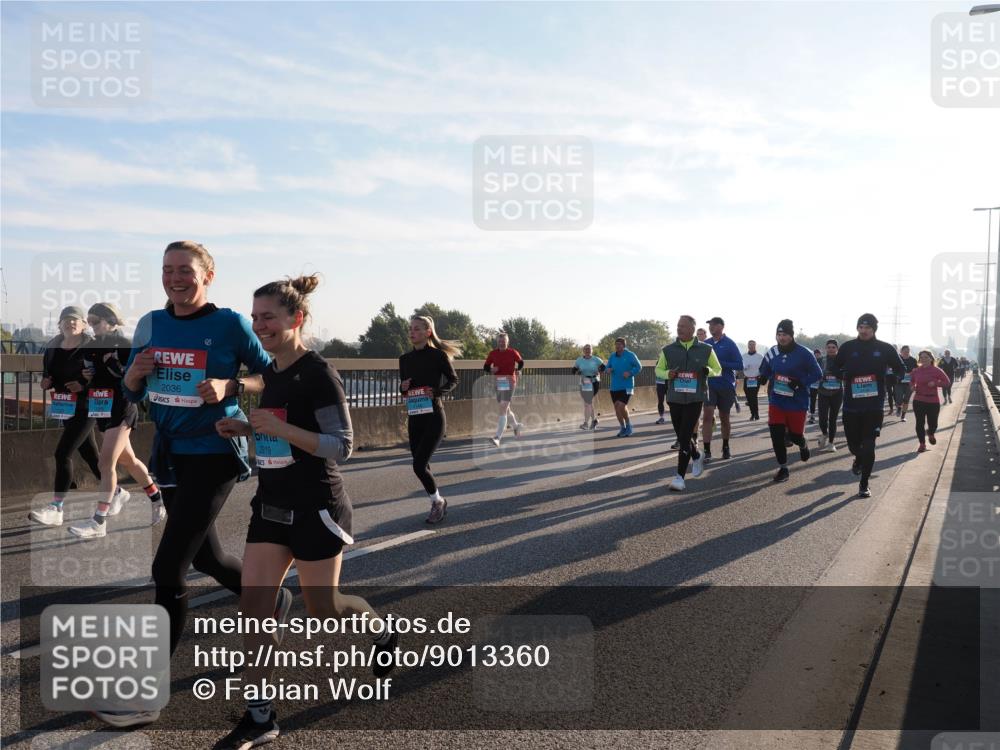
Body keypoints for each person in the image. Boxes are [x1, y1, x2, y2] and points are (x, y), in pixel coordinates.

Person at [213, 275, 396, 748]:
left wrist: (278, 427)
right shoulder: (271, 372)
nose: (260, 326)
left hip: (317, 507)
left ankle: (380, 630)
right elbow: (279, 431)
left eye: (268, 317)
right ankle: (260, 715)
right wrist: (246, 429)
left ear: (296, 319)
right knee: (252, 609)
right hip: (271, 504)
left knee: (327, 611)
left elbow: (343, 446)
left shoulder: (319, 373)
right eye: (254, 318)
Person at [101, 241, 272, 728]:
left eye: (185, 271)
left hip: (216, 452)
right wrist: (132, 376)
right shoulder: (150, 324)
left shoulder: (232, 324)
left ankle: (145, 697)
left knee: (167, 568)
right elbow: (132, 389)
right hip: (171, 454)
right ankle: (269, 597)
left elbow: (272, 373)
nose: (175, 278)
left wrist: (232, 387)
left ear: (208, 275)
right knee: (206, 557)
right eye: (167, 270)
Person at [68, 302, 165, 538]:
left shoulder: (124, 344)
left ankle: (98, 521)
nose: (91, 327)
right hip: (101, 406)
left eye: (95, 322)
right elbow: (92, 375)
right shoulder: (92, 347)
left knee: (105, 464)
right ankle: (156, 498)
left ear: (111, 321)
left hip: (123, 406)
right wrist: (86, 377)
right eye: (89, 323)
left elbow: (131, 378)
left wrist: (113, 364)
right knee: (129, 461)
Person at [29, 306, 105, 526]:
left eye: (75, 320)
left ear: (83, 324)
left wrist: (82, 383)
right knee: (90, 454)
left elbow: (103, 375)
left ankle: (56, 507)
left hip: (88, 405)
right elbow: (48, 372)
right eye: (66, 320)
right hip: (66, 406)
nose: (70, 323)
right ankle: (115, 490)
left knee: (63, 453)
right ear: (59, 324)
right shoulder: (53, 346)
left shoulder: (92, 346)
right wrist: (46, 381)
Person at [834, 313, 905, 499]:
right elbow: (834, 366)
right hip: (851, 406)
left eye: (868, 328)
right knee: (853, 446)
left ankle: (864, 484)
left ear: (874, 330)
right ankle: (857, 458)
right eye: (861, 327)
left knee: (869, 445)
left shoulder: (884, 348)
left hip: (874, 406)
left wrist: (893, 378)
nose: (864, 331)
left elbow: (900, 368)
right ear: (857, 328)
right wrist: (842, 374)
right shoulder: (848, 347)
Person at [399, 315, 459, 524]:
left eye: (416, 329)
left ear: (428, 332)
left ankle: (437, 502)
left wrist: (436, 392)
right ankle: (437, 501)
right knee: (421, 465)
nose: (412, 332)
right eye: (411, 328)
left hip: (434, 417)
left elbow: (453, 380)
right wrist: (403, 388)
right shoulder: (404, 359)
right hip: (415, 418)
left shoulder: (438, 356)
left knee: (418, 465)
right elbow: (404, 389)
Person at [656, 315, 721, 491]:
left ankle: (679, 477)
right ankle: (696, 454)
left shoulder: (706, 349)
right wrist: (667, 373)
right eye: (678, 326)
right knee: (681, 435)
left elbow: (718, 369)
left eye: (683, 326)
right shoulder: (668, 349)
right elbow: (658, 369)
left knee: (685, 435)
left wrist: (708, 371)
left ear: (692, 329)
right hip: (675, 397)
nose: (679, 329)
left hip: (695, 398)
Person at [759, 320, 823, 482]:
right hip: (777, 401)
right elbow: (765, 369)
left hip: (797, 402)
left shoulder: (804, 353)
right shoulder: (772, 352)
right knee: (776, 435)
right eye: (779, 335)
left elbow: (817, 374)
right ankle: (783, 468)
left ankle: (802, 444)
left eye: (785, 335)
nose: (781, 338)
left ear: (791, 335)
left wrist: (800, 382)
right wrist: (763, 377)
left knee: (795, 436)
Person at [702, 317, 742, 461]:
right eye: (709, 325)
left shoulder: (730, 344)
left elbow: (739, 364)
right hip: (709, 385)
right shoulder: (705, 344)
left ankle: (726, 447)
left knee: (724, 418)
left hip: (725, 385)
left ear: (721, 327)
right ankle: (706, 451)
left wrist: (719, 364)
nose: (711, 327)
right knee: (707, 416)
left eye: (713, 325)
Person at [484, 333, 524, 447]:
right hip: (499, 382)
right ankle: (516, 426)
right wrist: (492, 369)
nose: (502, 343)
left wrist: (518, 370)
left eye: (504, 341)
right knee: (506, 409)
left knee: (502, 408)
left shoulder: (513, 352)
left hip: (510, 382)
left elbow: (521, 362)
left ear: (507, 342)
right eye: (500, 341)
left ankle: (497, 437)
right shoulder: (493, 353)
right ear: (497, 342)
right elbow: (485, 367)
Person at [910, 350, 951, 453]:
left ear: (931, 358)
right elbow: (910, 381)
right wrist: (912, 386)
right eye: (921, 357)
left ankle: (931, 432)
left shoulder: (937, 370)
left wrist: (936, 383)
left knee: (933, 423)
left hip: (933, 400)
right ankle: (922, 444)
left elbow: (947, 383)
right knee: (920, 423)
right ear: (919, 359)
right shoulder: (916, 371)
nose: (923, 359)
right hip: (918, 400)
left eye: (926, 357)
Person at [605, 337, 642, 437]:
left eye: (619, 344)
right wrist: (608, 370)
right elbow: (607, 367)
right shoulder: (612, 356)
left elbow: (639, 367)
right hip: (614, 386)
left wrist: (630, 373)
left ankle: (629, 425)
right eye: (616, 344)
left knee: (622, 406)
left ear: (624, 345)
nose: (617, 346)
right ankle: (622, 427)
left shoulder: (630, 355)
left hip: (627, 385)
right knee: (617, 408)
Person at [816, 339, 843, 451]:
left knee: (833, 419)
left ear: (837, 349)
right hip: (823, 392)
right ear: (826, 349)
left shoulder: (842, 360)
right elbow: (814, 373)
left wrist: (837, 372)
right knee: (822, 418)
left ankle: (831, 443)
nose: (831, 349)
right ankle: (824, 433)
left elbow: (845, 374)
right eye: (829, 347)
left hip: (837, 393)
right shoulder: (821, 360)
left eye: (833, 347)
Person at [572, 344, 605, 430]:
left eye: (589, 349)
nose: (587, 350)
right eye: (586, 349)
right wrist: (577, 372)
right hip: (584, 382)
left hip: (594, 382)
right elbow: (573, 370)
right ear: (583, 351)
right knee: (588, 404)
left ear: (592, 350)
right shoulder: (579, 360)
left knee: (587, 403)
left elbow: (604, 368)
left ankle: (586, 423)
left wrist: (599, 372)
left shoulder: (596, 359)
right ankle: (594, 421)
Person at [894, 345, 918, 422]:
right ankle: (898, 407)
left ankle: (903, 416)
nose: (906, 353)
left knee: (906, 400)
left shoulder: (913, 360)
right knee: (899, 399)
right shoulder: (897, 359)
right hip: (899, 382)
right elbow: (892, 369)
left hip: (909, 383)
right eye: (905, 351)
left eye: (908, 351)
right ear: (901, 351)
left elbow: (917, 370)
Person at [741, 340, 764, 421]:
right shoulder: (744, 356)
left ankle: (755, 414)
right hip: (747, 378)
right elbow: (740, 366)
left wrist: (762, 376)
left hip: (755, 379)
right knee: (748, 397)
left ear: (755, 346)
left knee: (753, 396)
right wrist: (744, 368)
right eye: (750, 345)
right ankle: (753, 412)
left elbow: (763, 368)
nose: (751, 346)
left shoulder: (760, 356)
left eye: (753, 345)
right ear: (748, 346)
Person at [808, 349, 822, 424]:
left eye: (818, 354)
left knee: (821, 401)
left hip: (822, 386)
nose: (816, 355)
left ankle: (822, 416)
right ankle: (812, 416)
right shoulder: (811, 362)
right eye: (815, 354)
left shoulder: (823, 362)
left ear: (820, 354)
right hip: (813, 385)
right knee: (812, 401)